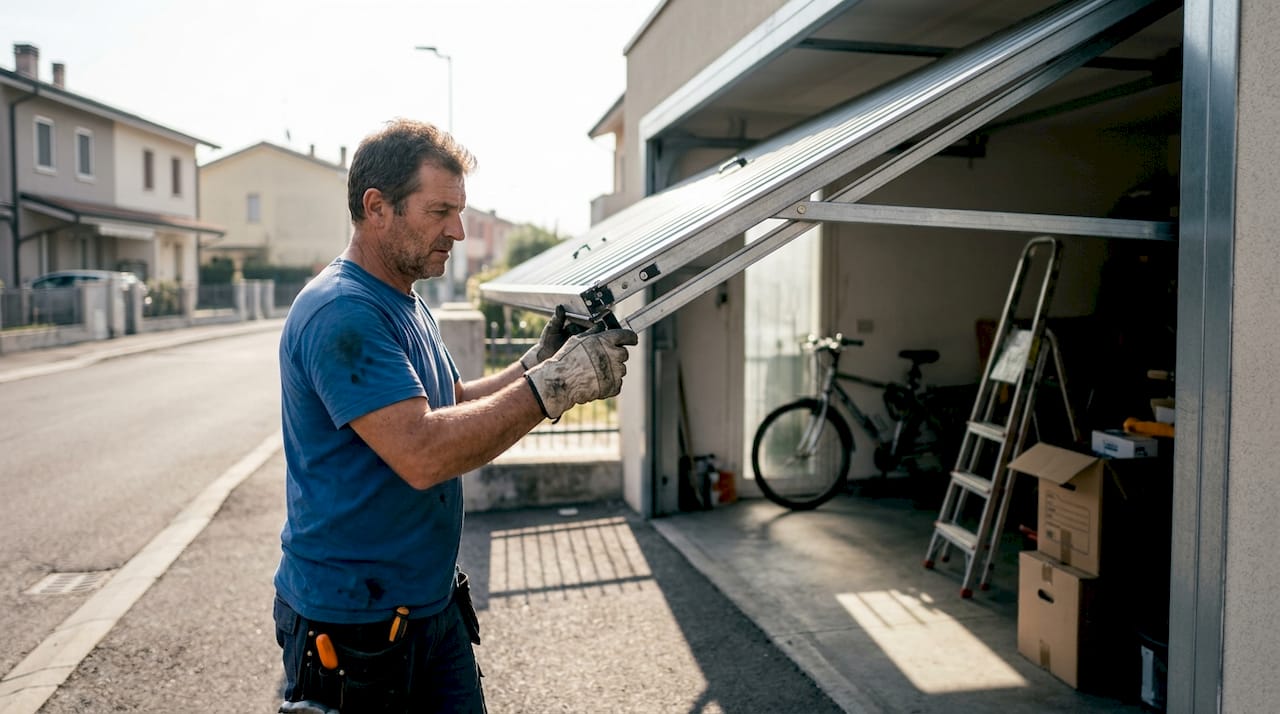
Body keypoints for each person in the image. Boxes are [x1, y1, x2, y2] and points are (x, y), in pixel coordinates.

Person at [273, 118, 636, 713]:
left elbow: (454, 403)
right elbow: (422, 452)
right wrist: (553, 387)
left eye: (459, 212)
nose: (458, 231)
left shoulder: (403, 300)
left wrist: (536, 363)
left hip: (428, 605)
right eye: (440, 211)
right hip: (354, 624)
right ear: (377, 207)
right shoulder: (342, 311)